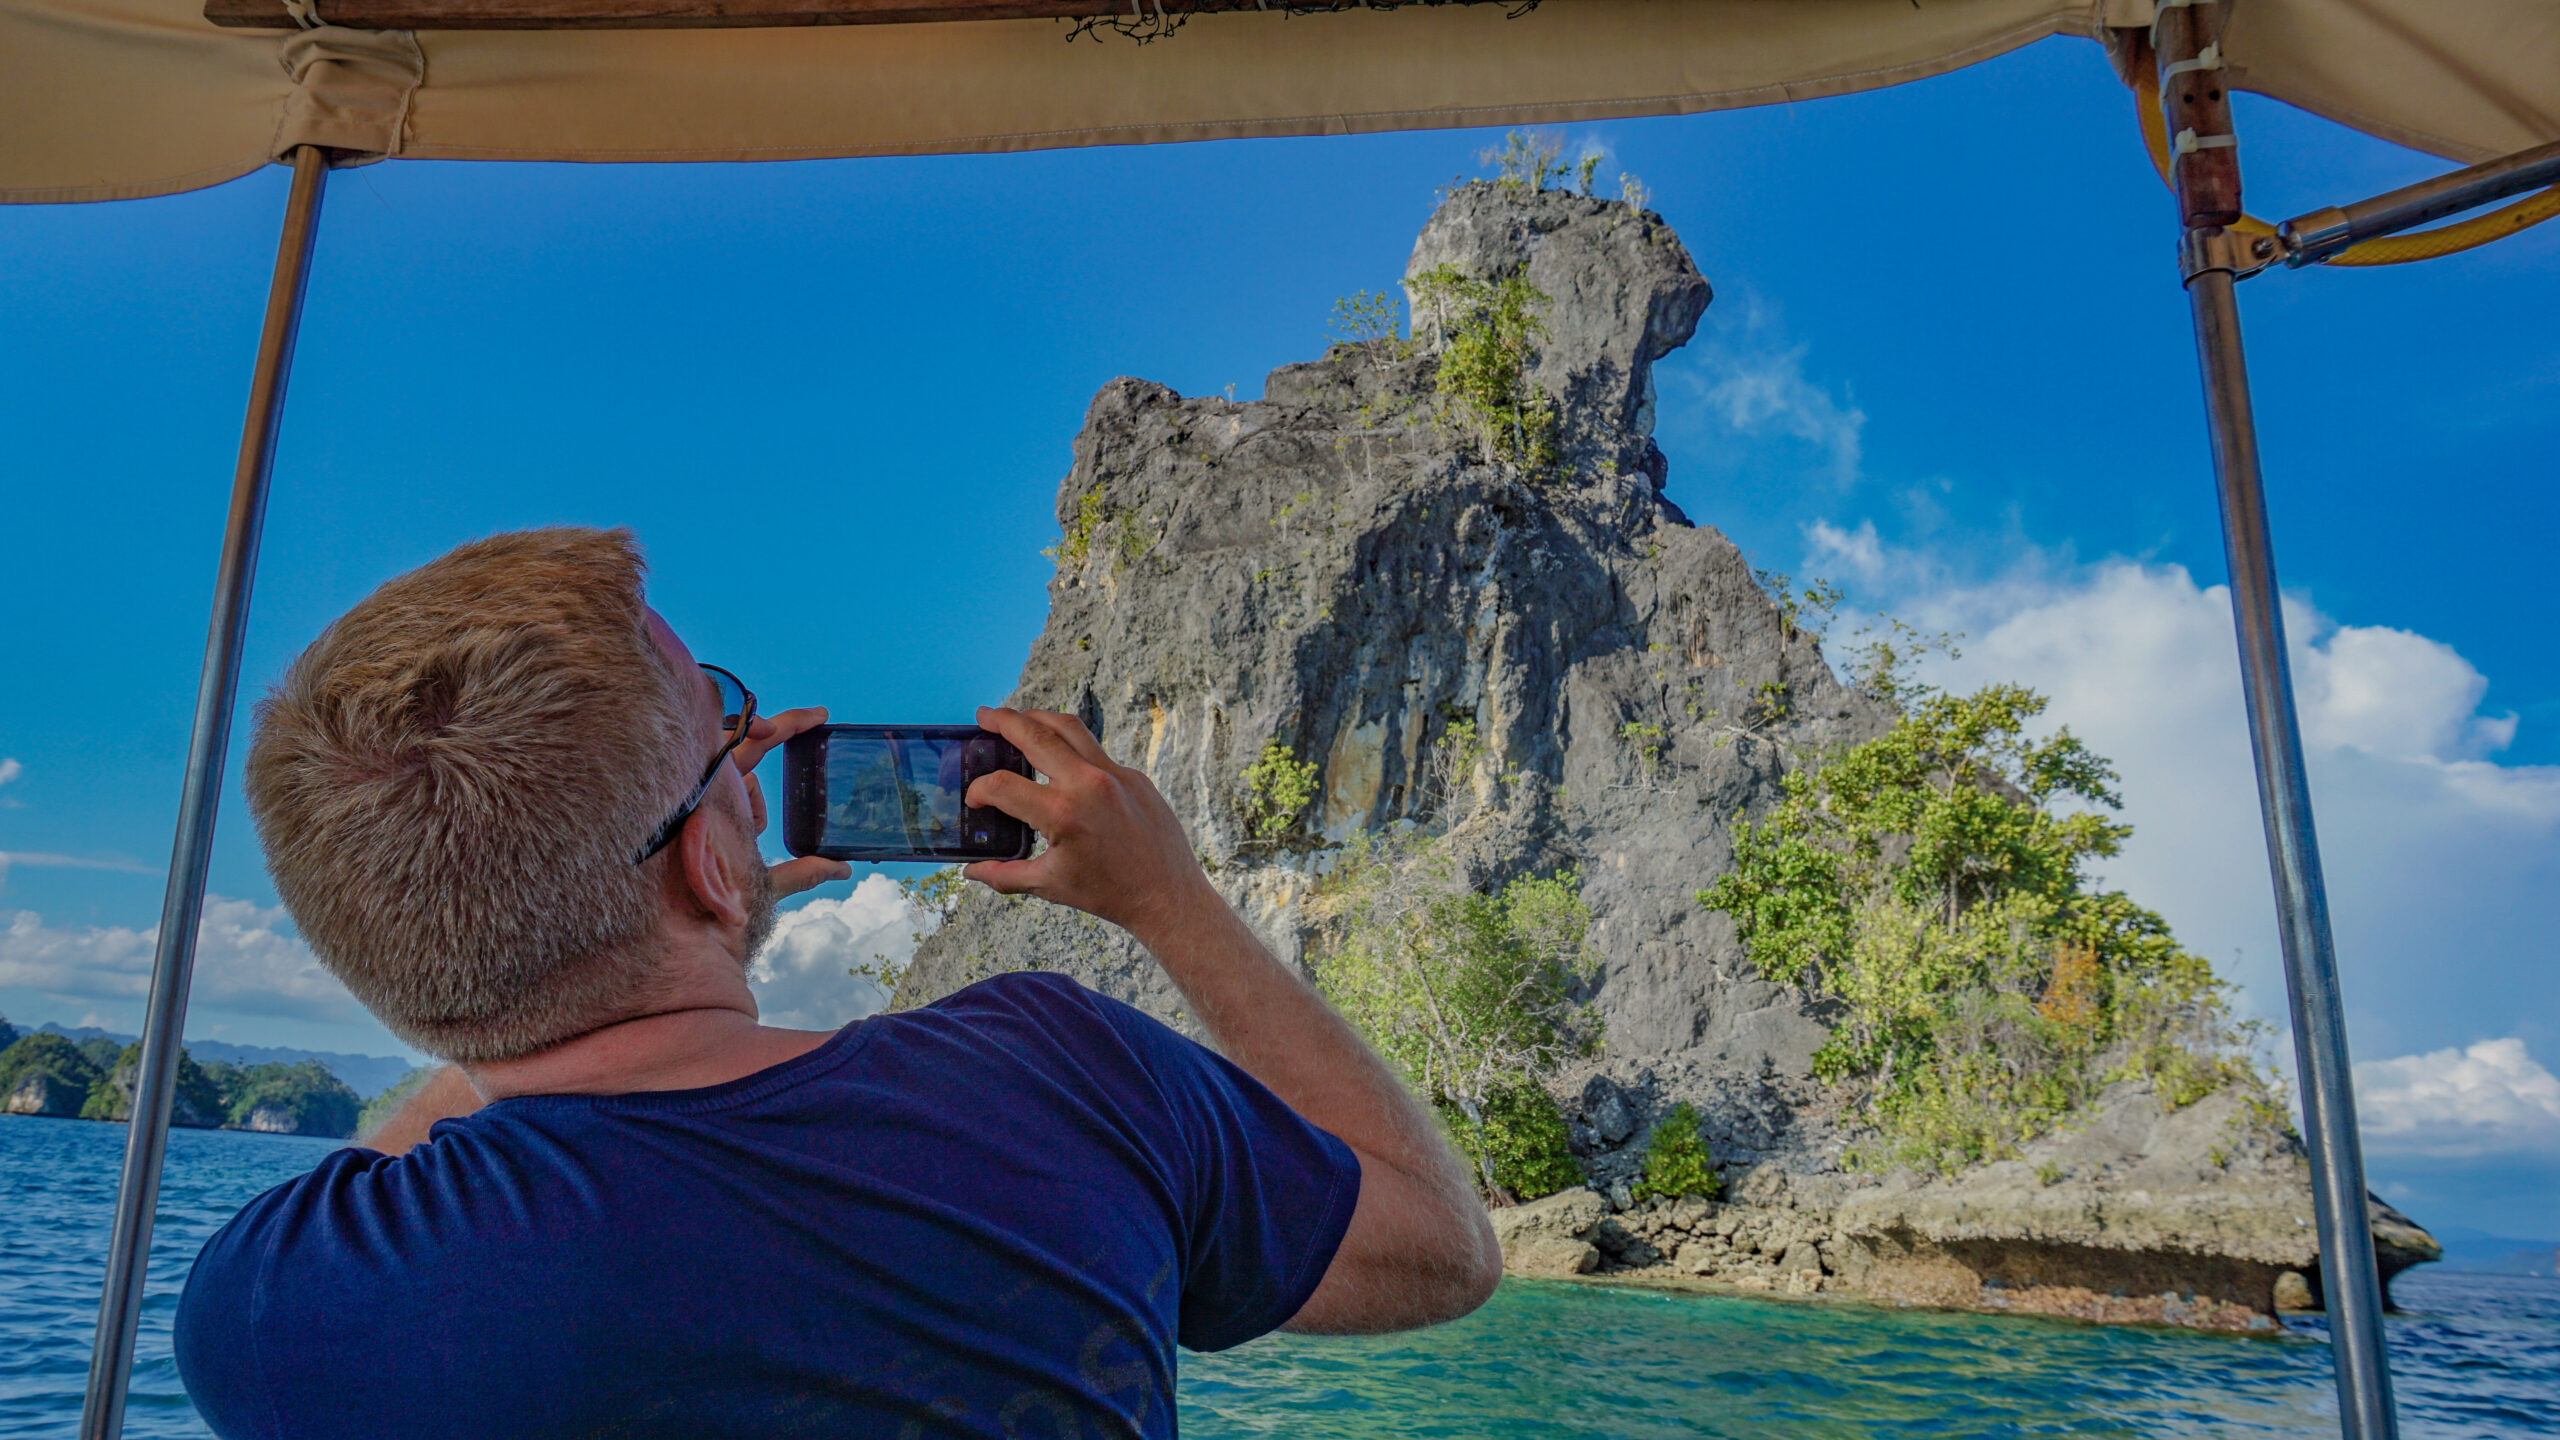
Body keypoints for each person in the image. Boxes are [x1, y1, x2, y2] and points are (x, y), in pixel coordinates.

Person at [174, 527, 1499, 1439]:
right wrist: (1173, 904)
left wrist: (632, 913)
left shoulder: (273, 1306)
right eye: (726, 722)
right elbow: (1437, 1252)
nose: (755, 751)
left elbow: (472, 1095)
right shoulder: (1062, 1070)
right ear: (704, 857)